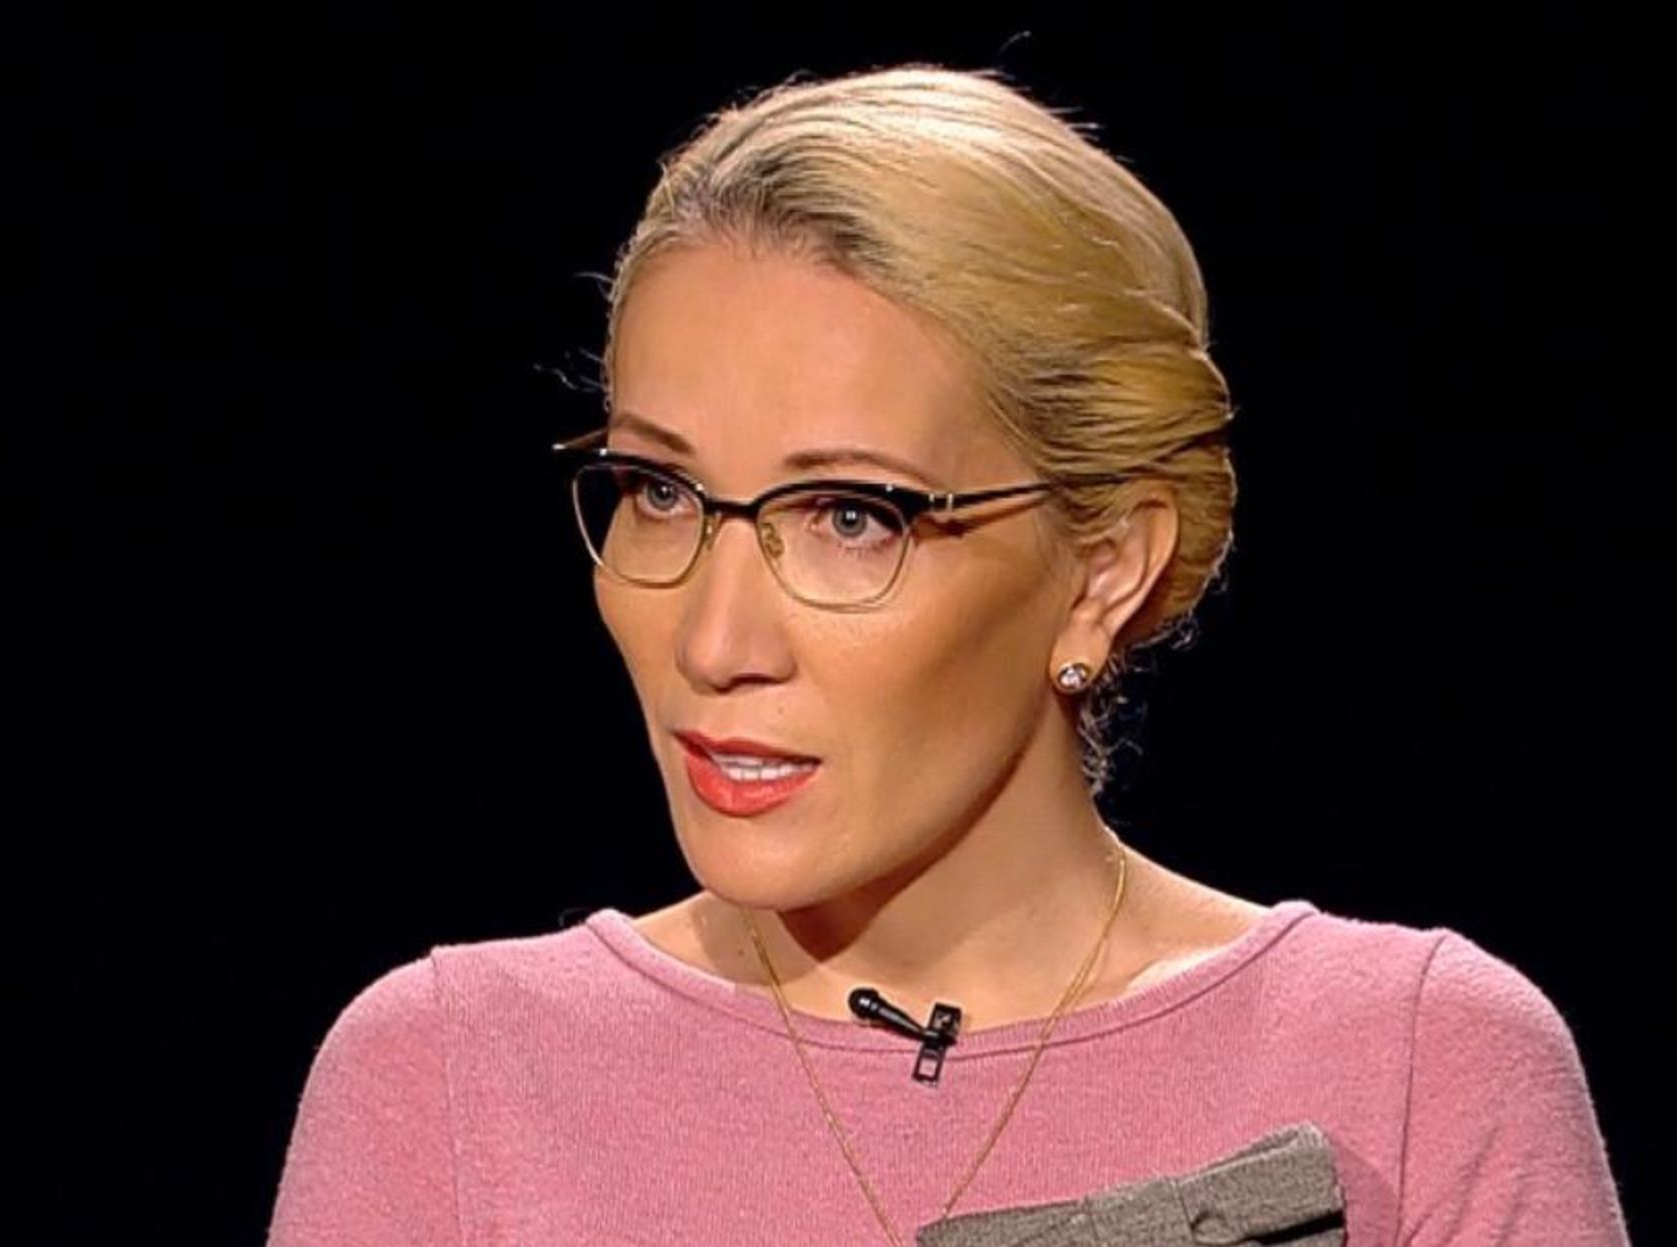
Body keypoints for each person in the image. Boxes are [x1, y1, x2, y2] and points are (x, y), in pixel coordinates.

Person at [264, 63, 1629, 1245]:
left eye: (851, 516)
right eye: (661, 491)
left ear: (1106, 568)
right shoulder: (447, 1086)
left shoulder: (1417, 1071)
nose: (716, 641)